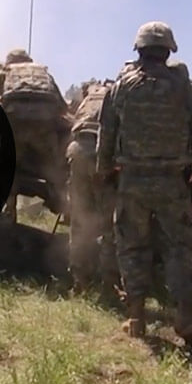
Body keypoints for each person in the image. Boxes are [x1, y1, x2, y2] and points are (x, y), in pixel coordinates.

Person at [96, 21, 192, 350]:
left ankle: (137, 317)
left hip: (131, 181)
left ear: (139, 50)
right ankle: (186, 320)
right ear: (169, 50)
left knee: (131, 247)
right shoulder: (186, 90)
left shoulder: (121, 88)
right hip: (173, 182)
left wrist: (105, 172)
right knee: (179, 249)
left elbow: (106, 134)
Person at [0, 48, 71, 221]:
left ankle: (7, 210)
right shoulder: (44, 73)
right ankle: (66, 208)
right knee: (55, 171)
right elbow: (62, 107)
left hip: (14, 122)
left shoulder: (7, 71)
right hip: (44, 127)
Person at [66, 79, 118, 298]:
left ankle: (80, 281)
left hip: (77, 150)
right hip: (102, 152)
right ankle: (109, 284)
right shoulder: (117, 95)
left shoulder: (86, 100)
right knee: (109, 224)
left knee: (79, 220)